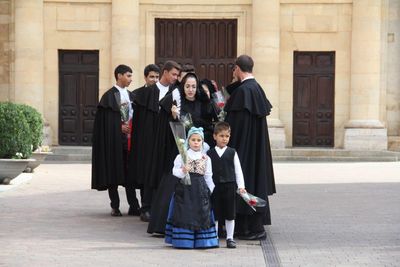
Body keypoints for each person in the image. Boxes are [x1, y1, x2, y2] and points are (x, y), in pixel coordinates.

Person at [147, 72, 216, 235]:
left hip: (200, 148)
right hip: (181, 148)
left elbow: (211, 121)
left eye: (193, 86)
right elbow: (170, 127)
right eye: (187, 86)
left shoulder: (203, 102)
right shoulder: (177, 102)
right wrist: (174, 117)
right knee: (173, 182)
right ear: (182, 87)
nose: (190, 90)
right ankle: (165, 225)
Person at [224, 55, 276, 240]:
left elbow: (234, 125)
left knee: (245, 183)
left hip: (244, 149)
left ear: (237, 68)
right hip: (255, 148)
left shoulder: (244, 91)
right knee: (253, 182)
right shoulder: (256, 88)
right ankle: (249, 227)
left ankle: (251, 228)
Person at [128, 61, 181, 222]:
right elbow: (139, 123)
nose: (176, 78)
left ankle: (162, 208)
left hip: (168, 142)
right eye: (173, 74)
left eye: (177, 75)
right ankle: (146, 207)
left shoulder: (176, 92)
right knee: (149, 172)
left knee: (165, 174)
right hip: (149, 142)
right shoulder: (146, 94)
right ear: (165, 73)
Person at [91, 64, 141, 217]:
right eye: (128, 75)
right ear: (119, 76)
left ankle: (134, 206)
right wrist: (119, 128)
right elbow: (104, 123)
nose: (131, 79)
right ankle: (115, 206)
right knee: (113, 172)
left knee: (130, 174)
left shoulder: (132, 96)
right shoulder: (108, 97)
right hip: (113, 142)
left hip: (130, 142)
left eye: (131, 76)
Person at [165, 127, 218, 249]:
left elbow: (208, 176)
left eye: (198, 140)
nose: (196, 142)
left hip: (200, 191)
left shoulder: (206, 158)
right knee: (185, 212)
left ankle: (203, 241)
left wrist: (209, 190)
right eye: (193, 139)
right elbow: (174, 171)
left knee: (202, 213)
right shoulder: (182, 156)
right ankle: (184, 241)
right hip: (185, 190)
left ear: (202, 142)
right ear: (188, 141)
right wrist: (183, 171)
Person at [207, 122, 246, 248]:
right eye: (221, 136)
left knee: (230, 213)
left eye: (227, 136)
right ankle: (215, 237)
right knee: (216, 213)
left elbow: (238, 170)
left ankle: (230, 238)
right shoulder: (209, 153)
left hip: (229, 186)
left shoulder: (232, 152)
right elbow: (207, 172)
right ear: (214, 136)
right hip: (215, 187)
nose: (224, 139)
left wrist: (241, 186)